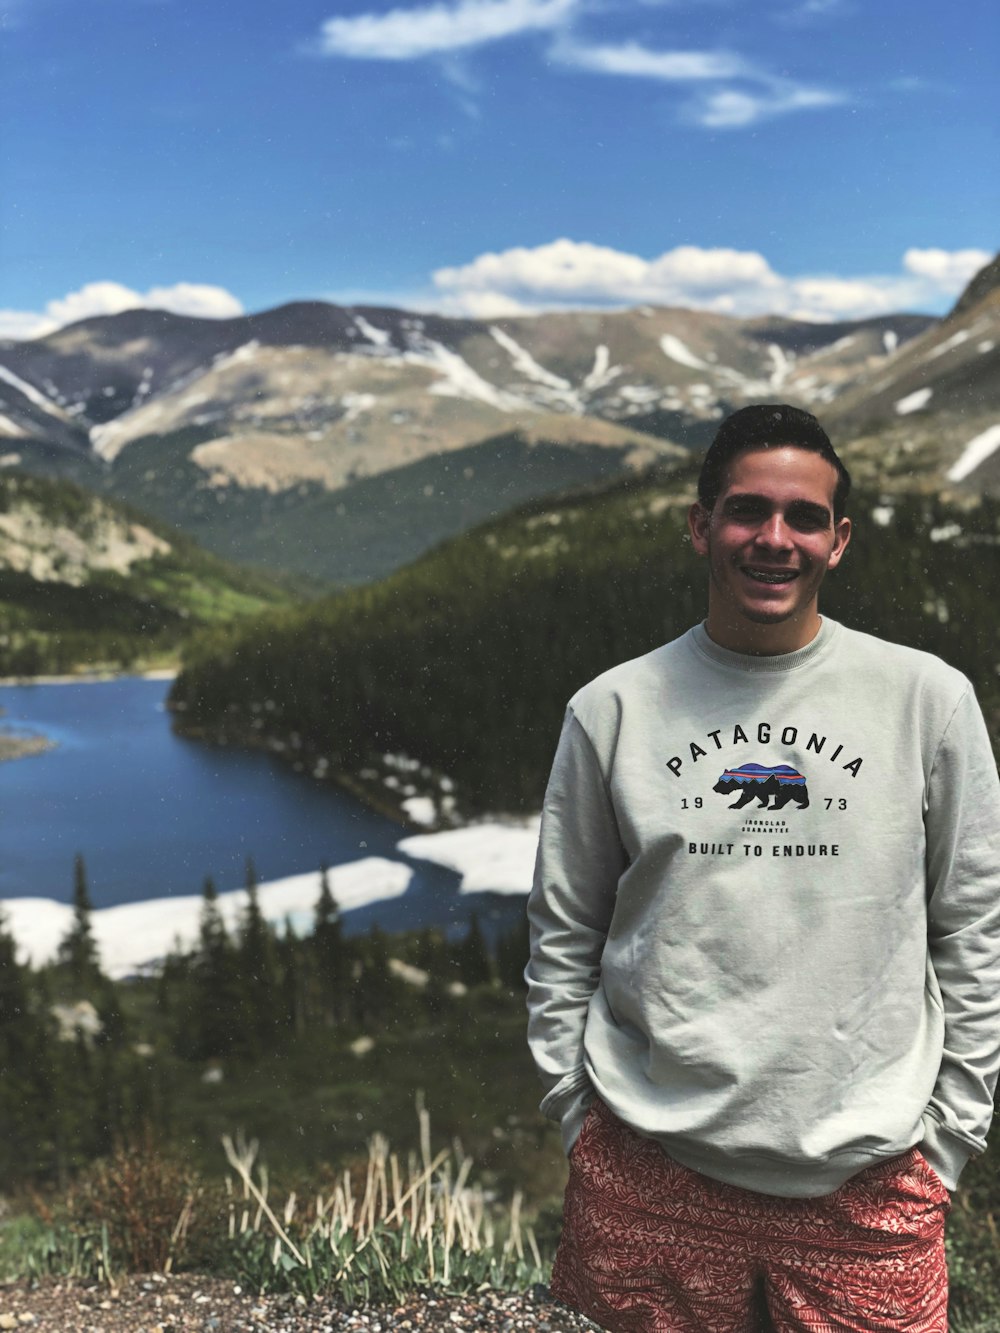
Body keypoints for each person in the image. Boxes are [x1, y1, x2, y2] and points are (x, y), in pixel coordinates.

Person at [525, 403, 1000, 1333]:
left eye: (804, 517)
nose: (773, 539)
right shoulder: (610, 709)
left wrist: (947, 1142)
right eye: (747, 511)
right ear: (702, 525)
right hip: (645, 1171)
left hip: (869, 1181)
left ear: (839, 538)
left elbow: (975, 926)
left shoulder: (928, 701)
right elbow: (564, 925)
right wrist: (576, 1117)